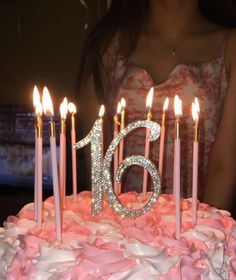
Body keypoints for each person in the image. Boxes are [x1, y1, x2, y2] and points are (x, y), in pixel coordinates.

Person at [76, 0, 236, 213]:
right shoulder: (107, 45)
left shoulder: (230, 47)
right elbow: (98, 157)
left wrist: (201, 238)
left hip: (197, 231)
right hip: (121, 229)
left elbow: (225, 163)